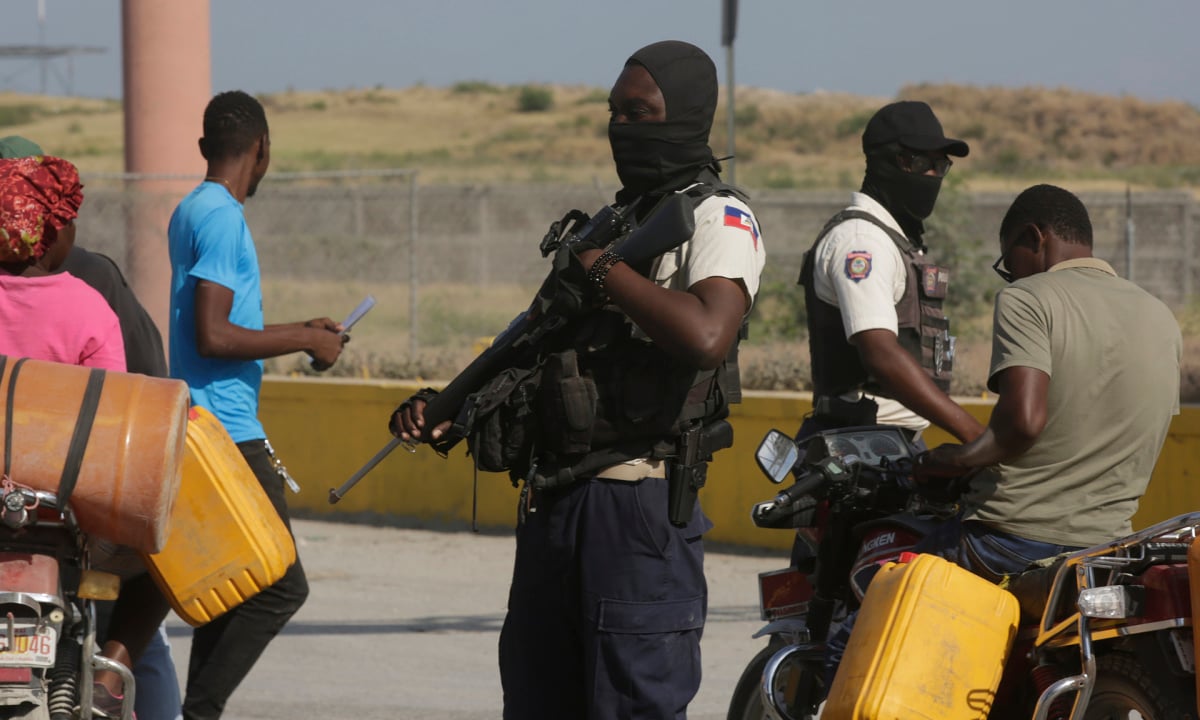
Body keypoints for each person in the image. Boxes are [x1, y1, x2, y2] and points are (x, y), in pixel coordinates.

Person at [390, 40, 766, 719]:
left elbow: (709, 334)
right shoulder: (617, 221)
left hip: (636, 509)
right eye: (614, 112)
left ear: (685, 116)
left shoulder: (715, 217)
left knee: (631, 703)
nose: (621, 127)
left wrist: (602, 271)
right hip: (556, 505)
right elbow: (535, 341)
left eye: (640, 112)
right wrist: (452, 406)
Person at [167, 90, 345, 720]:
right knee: (278, 585)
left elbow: (219, 324)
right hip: (226, 432)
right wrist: (304, 340)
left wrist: (302, 328)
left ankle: (198, 711)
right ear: (263, 149)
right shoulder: (222, 219)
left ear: (203, 149)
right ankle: (200, 712)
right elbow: (212, 336)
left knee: (236, 584)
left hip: (204, 421)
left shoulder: (193, 207)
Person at [1, 135, 181, 720]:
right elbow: (112, 422)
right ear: (54, 233)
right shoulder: (88, 305)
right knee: (158, 560)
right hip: (65, 514)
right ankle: (110, 669)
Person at [914, 183, 1182, 575]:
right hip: (1107, 549)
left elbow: (1021, 424)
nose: (1010, 276)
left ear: (1034, 236)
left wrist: (950, 460)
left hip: (1009, 541)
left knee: (874, 588)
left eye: (1009, 262)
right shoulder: (1160, 316)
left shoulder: (1028, 298)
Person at [797, 101, 983, 444]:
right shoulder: (863, 242)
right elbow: (881, 354)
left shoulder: (893, 240)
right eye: (918, 162)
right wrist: (974, 434)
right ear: (883, 163)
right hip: (859, 444)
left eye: (940, 165)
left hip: (892, 441)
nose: (931, 175)